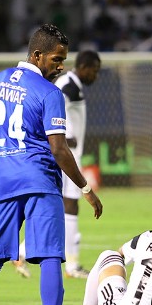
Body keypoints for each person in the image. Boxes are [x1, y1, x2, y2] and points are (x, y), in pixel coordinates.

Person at [0, 24, 103, 305]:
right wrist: (85, 188)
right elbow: (59, 149)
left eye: (64, 60)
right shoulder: (49, 93)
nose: (61, 66)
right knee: (52, 257)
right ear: (37, 55)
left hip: (3, 184)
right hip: (40, 182)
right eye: (56, 58)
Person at [14, 51, 102, 279]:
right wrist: (61, 136)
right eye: (94, 69)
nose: (96, 75)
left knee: (61, 208)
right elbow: (48, 107)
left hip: (69, 154)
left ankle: (24, 251)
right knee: (68, 206)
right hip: (64, 155)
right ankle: (69, 265)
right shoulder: (67, 85)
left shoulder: (73, 85)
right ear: (83, 66)